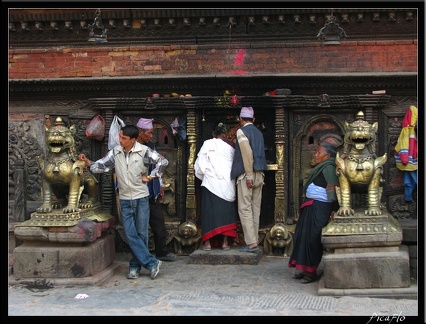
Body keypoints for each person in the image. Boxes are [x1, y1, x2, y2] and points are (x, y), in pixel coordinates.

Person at [78, 124, 167, 280]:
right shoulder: (116, 152)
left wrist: (152, 176)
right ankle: (151, 263)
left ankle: (135, 266)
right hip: (125, 199)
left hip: (141, 198)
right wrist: (88, 163)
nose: (120, 140)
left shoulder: (143, 151)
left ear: (133, 140)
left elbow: (162, 162)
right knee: (130, 233)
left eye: (123, 138)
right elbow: (102, 165)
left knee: (141, 234)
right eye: (120, 136)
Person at [288, 142, 339, 284]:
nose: (315, 155)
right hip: (310, 206)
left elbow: (333, 187)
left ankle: (311, 272)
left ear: (327, 155)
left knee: (313, 238)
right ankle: (304, 269)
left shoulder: (329, 167)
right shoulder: (321, 167)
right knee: (302, 236)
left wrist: (334, 208)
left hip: (320, 208)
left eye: (318, 152)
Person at [136, 117, 177, 261]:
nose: (151, 135)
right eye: (149, 132)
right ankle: (141, 255)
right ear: (140, 132)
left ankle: (161, 251)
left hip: (151, 190)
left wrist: (158, 184)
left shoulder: (151, 146)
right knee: (139, 226)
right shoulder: (132, 146)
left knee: (158, 222)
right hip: (138, 192)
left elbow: (157, 166)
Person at [194, 122, 238, 251]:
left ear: (213, 134)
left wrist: (207, 174)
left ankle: (207, 243)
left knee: (209, 212)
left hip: (210, 183)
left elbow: (199, 166)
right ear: (225, 135)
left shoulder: (207, 144)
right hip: (226, 184)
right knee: (226, 213)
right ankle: (225, 243)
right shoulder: (230, 147)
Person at [230, 107, 268, 253]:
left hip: (248, 175)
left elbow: (247, 155)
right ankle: (254, 240)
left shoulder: (241, 132)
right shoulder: (258, 132)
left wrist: (249, 176)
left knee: (244, 208)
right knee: (255, 208)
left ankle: (251, 242)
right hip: (260, 174)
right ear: (253, 119)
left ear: (240, 119)